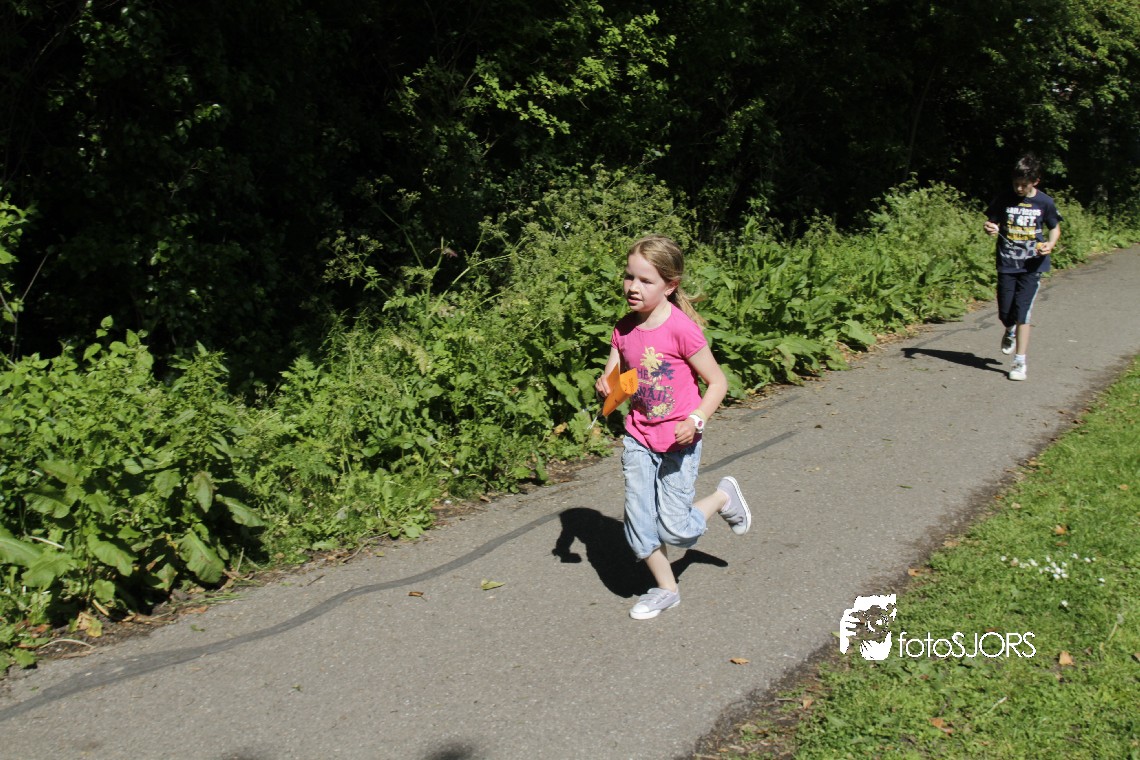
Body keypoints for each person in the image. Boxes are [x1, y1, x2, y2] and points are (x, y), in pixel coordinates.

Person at [595, 234, 751, 620]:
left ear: (670, 285)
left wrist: (696, 419)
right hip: (639, 436)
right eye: (629, 276)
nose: (633, 287)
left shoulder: (681, 329)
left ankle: (723, 498)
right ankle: (666, 589)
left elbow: (717, 383)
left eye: (645, 280)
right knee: (638, 520)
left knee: (678, 530)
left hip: (680, 441)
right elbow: (616, 374)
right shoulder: (623, 328)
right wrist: (606, 385)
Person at [983, 154, 1062, 381]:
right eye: (1016, 183)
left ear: (1035, 181)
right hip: (1007, 263)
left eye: (1024, 185)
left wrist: (1050, 244)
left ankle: (1020, 361)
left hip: (1032, 265)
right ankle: (1009, 329)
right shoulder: (1004, 198)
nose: (1019, 188)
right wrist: (990, 228)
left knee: (1023, 312)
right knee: (1006, 313)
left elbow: (1054, 228)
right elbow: (991, 223)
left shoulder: (1045, 202)